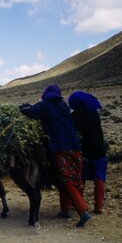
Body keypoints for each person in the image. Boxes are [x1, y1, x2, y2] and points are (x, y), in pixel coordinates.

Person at [19, 84, 91, 227]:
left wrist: (23, 106)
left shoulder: (44, 105)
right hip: (75, 146)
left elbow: (30, 111)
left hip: (60, 147)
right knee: (76, 177)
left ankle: (83, 211)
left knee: (67, 180)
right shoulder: (63, 105)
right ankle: (66, 210)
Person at [68, 91, 108, 214]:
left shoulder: (75, 117)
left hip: (83, 152)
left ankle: (79, 204)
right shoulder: (94, 114)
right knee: (99, 180)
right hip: (99, 151)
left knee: (81, 179)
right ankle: (99, 207)